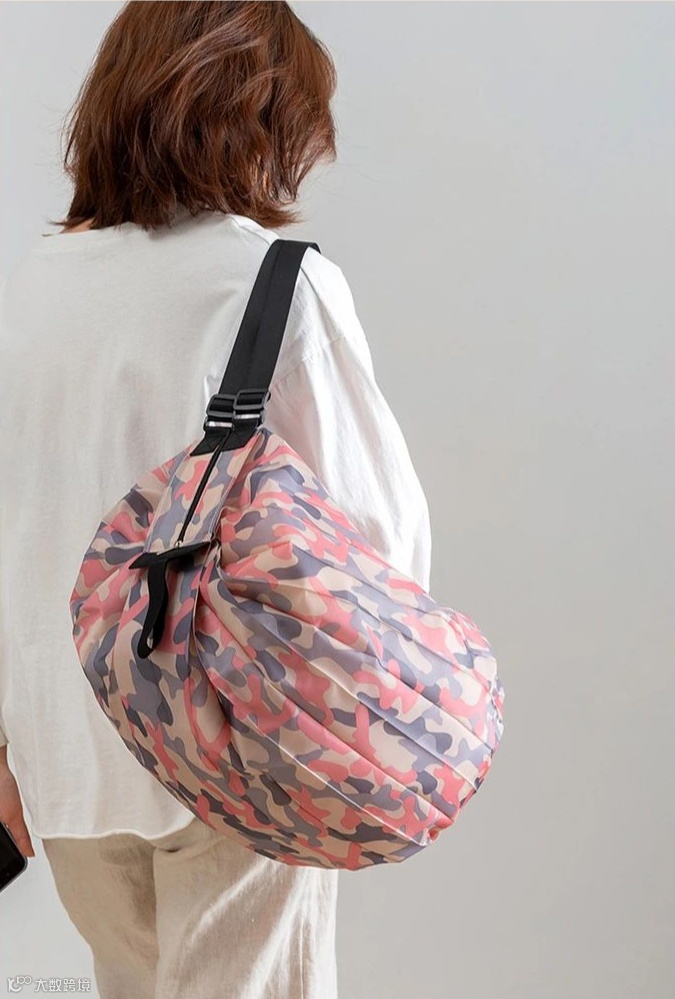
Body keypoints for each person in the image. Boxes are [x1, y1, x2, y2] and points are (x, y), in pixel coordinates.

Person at [0, 3, 432, 998]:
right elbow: (378, 538)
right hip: (236, 739)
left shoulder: (33, 289)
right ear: (264, 118)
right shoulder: (270, 281)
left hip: (67, 750)